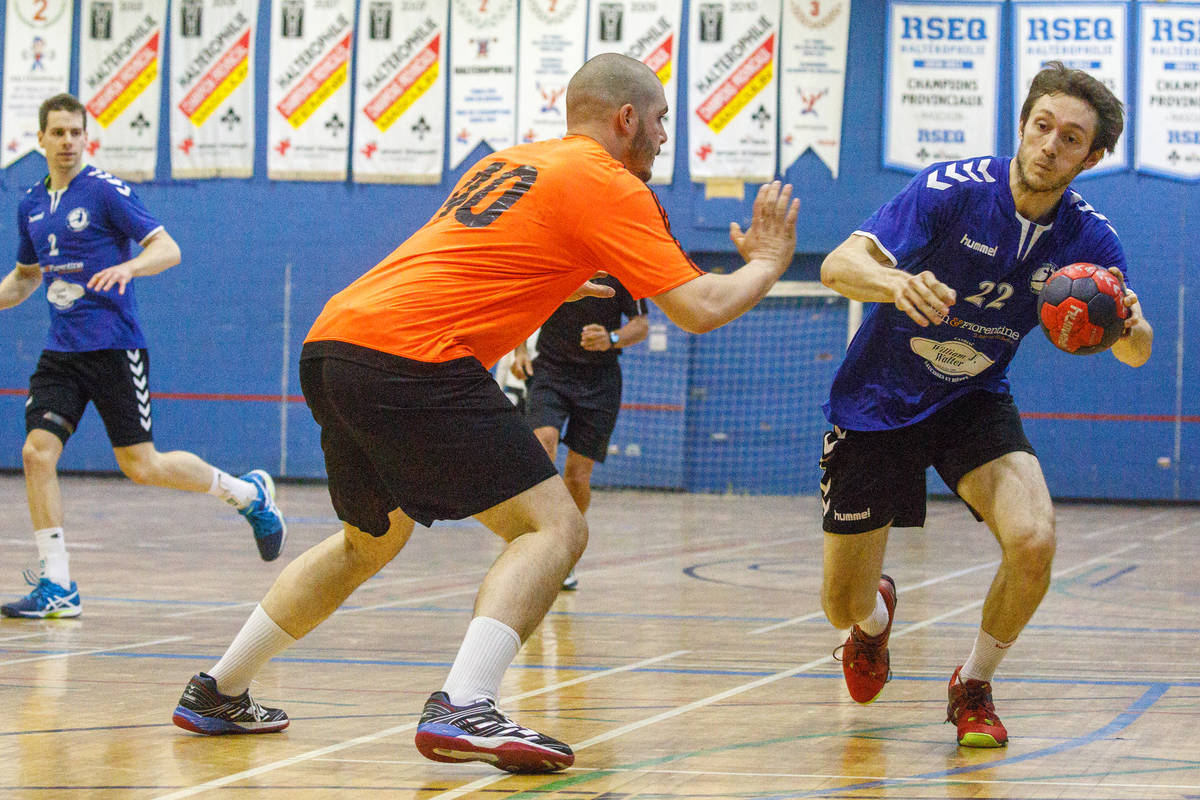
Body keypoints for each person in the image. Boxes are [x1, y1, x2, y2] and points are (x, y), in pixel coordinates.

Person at [169, 52, 799, 774]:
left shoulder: (514, 163)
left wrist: (553, 284)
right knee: (555, 526)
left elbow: (480, 258)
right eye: (659, 122)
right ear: (627, 119)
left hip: (337, 344)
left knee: (367, 542)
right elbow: (700, 307)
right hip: (414, 356)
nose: (663, 138)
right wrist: (770, 261)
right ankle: (465, 703)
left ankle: (219, 689)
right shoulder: (608, 181)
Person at [817, 61, 1152, 748]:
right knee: (839, 605)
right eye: (1042, 126)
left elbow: (1136, 350)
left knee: (1034, 540)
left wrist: (1128, 321)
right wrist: (891, 284)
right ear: (1024, 124)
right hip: (879, 399)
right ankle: (874, 618)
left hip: (972, 398)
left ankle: (973, 683)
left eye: (1070, 139)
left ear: (1091, 157)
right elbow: (837, 265)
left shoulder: (1091, 242)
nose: (1049, 145)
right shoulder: (952, 190)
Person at [0, 94, 287, 620]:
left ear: (86, 137)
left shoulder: (106, 193)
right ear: (39, 139)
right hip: (60, 352)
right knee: (36, 454)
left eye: (75, 133)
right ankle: (58, 584)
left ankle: (246, 494)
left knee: (141, 466)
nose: (67, 142)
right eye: (57, 133)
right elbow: (24, 278)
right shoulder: (30, 206)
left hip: (114, 347)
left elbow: (167, 248)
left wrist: (130, 269)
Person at [509, 275, 649, 590]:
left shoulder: (623, 270)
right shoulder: (560, 261)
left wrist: (612, 339)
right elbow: (522, 304)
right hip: (551, 372)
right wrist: (518, 351)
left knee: (577, 476)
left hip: (601, 382)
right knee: (542, 444)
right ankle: (535, 538)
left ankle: (565, 551)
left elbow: (641, 325)